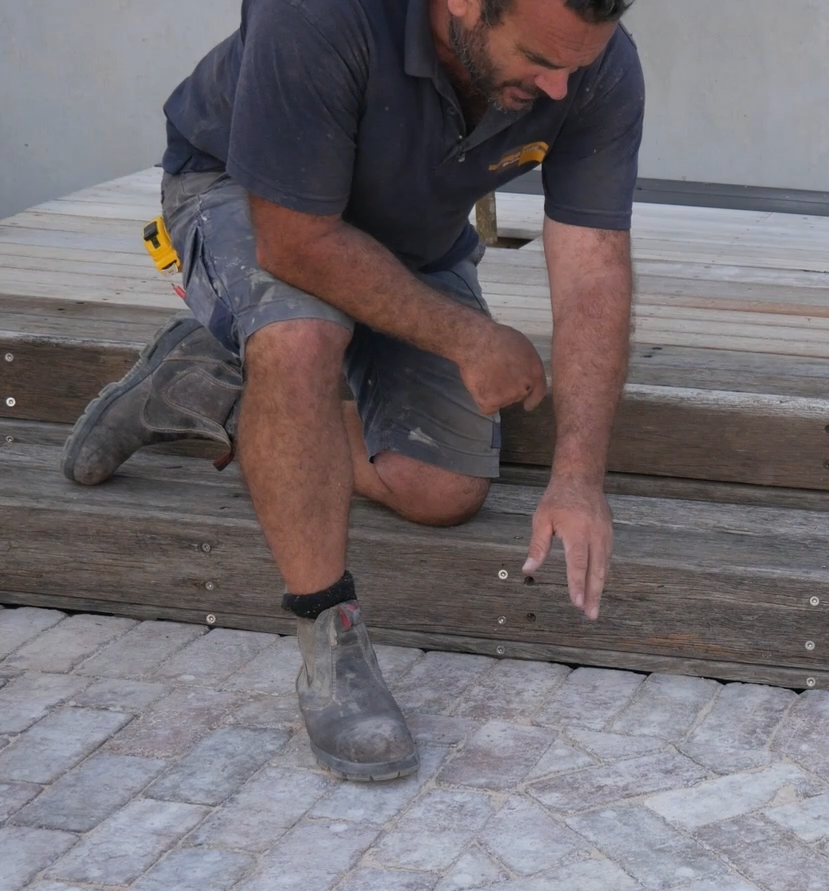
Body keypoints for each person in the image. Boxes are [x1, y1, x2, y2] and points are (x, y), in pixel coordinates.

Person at [61, 0, 645, 781]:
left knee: (440, 487)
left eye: (578, 64)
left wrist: (578, 476)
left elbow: (594, 265)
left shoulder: (591, 65)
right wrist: (470, 337)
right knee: (299, 339)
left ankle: (204, 388)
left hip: (410, 240)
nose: (562, 86)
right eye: (539, 59)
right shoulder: (318, 13)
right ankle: (329, 644)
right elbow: (295, 241)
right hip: (250, 198)